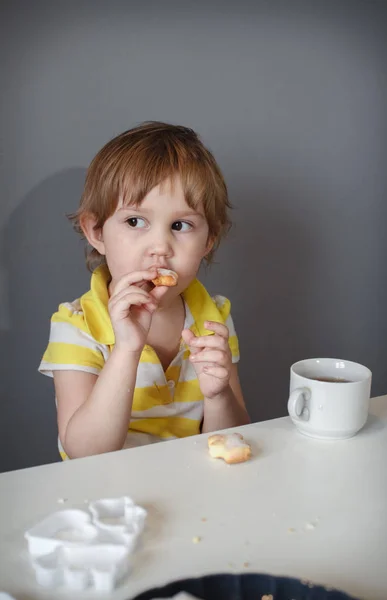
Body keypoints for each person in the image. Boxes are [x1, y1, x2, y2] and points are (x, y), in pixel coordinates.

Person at [39, 121, 250, 459]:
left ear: (208, 241)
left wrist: (219, 395)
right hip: (105, 496)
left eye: (180, 226)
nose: (159, 247)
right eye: (135, 221)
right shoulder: (76, 325)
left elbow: (233, 440)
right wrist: (126, 350)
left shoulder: (214, 317)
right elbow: (84, 453)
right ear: (96, 232)